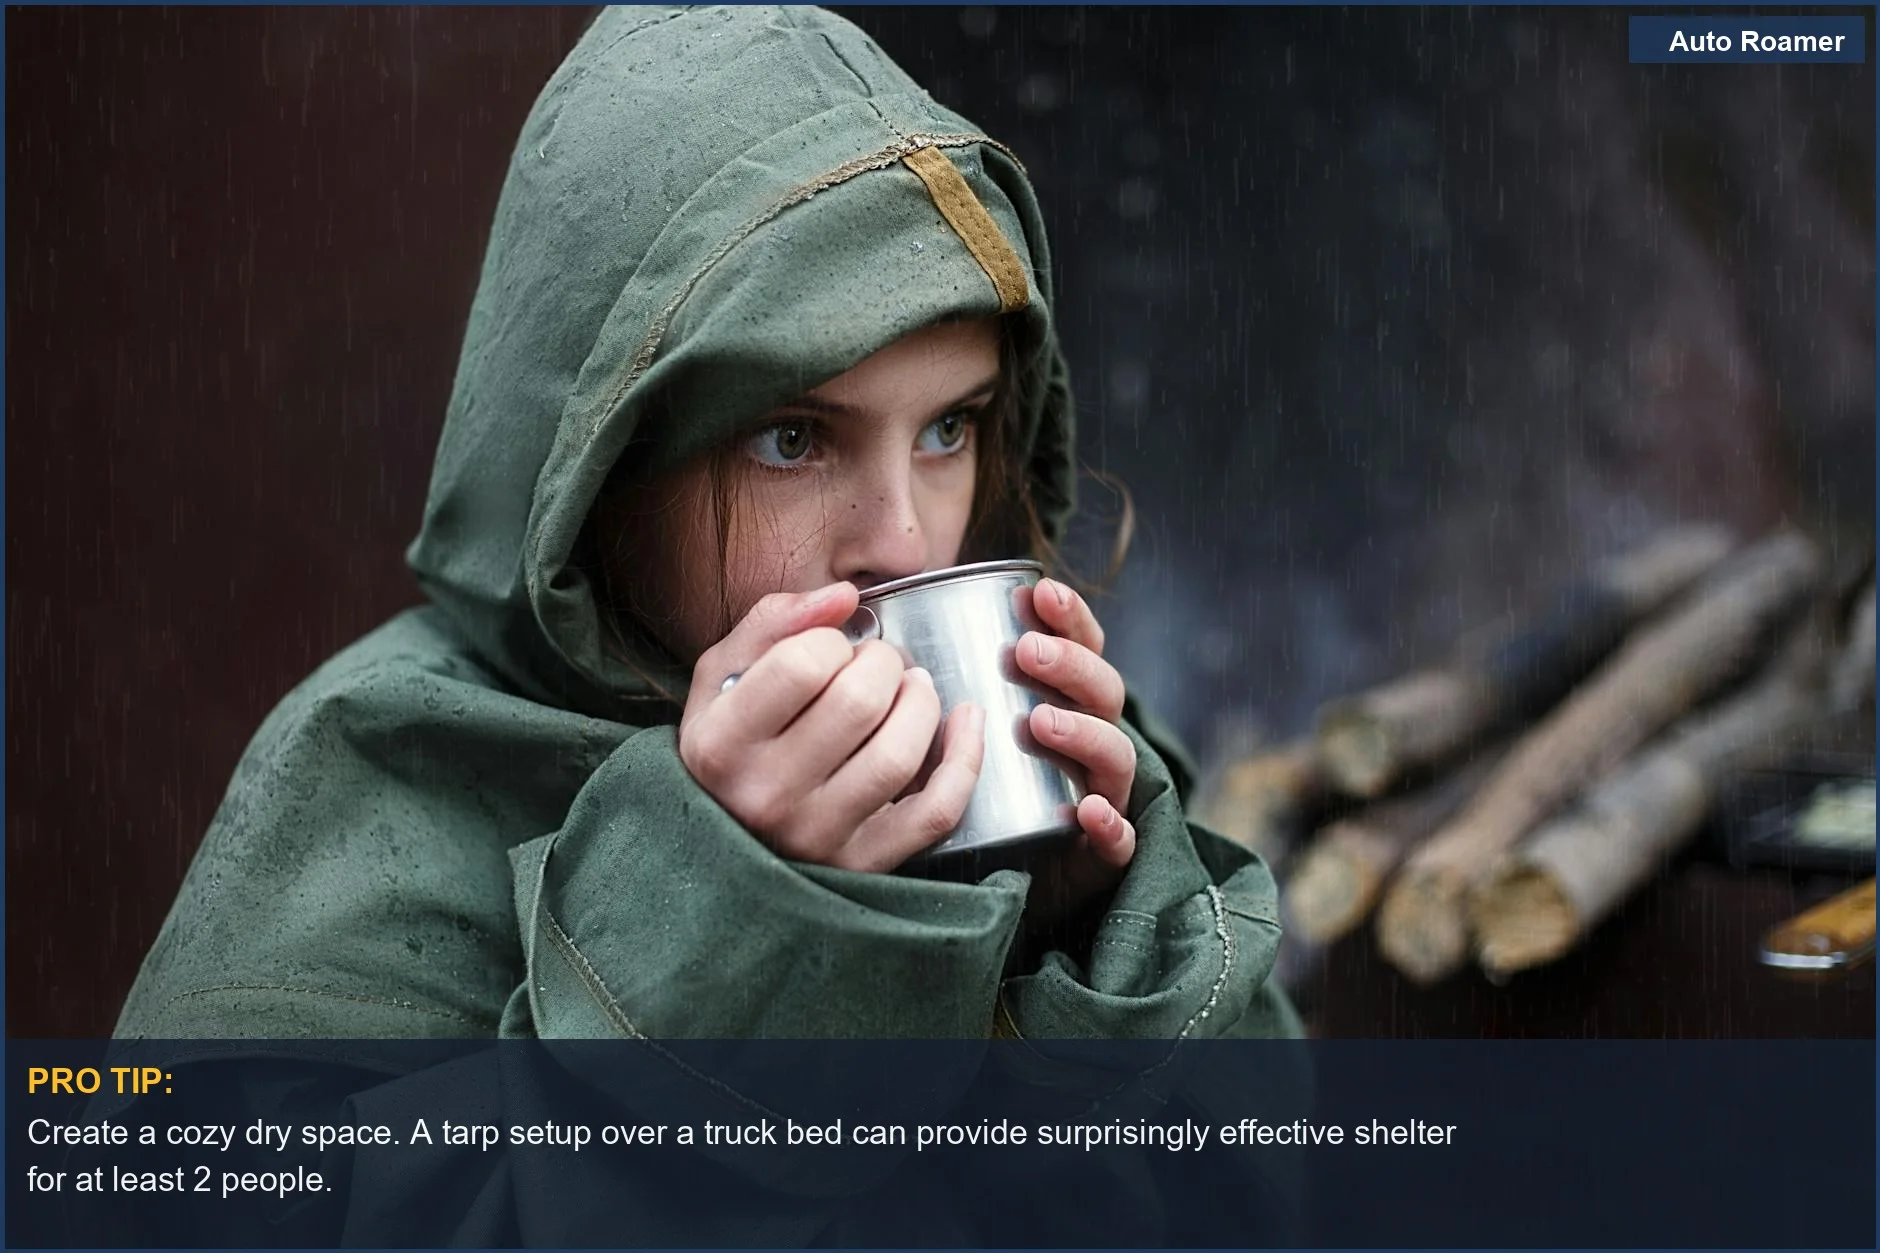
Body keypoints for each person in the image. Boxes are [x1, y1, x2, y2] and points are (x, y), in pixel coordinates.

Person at [116, 4, 1301, 1046]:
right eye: (791, 438)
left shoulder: (1038, 757)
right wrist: (723, 925)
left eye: (949, 428)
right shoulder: (389, 780)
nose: (901, 542)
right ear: (604, 467)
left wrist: (1075, 951)